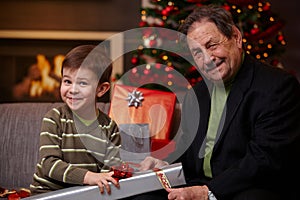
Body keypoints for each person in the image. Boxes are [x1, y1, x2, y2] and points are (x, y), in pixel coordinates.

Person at [138, 4, 300, 200]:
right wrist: (163, 164)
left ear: (236, 38)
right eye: (197, 53)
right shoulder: (196, 95)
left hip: (248, 187)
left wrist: (207, 192)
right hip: (200, 183)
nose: (207, 59)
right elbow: (187, 152)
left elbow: (264, 160)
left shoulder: (277, 86)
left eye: (212, 45)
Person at [30, 45, 122, 195]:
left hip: (85, 195)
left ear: (101, 89)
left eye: (82, 83)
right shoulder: (54, 118)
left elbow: (108, 174)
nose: (72, 89)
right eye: (67, 81)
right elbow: (49, 165)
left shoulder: (109, 128)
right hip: (47, 193)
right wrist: (89, 177)